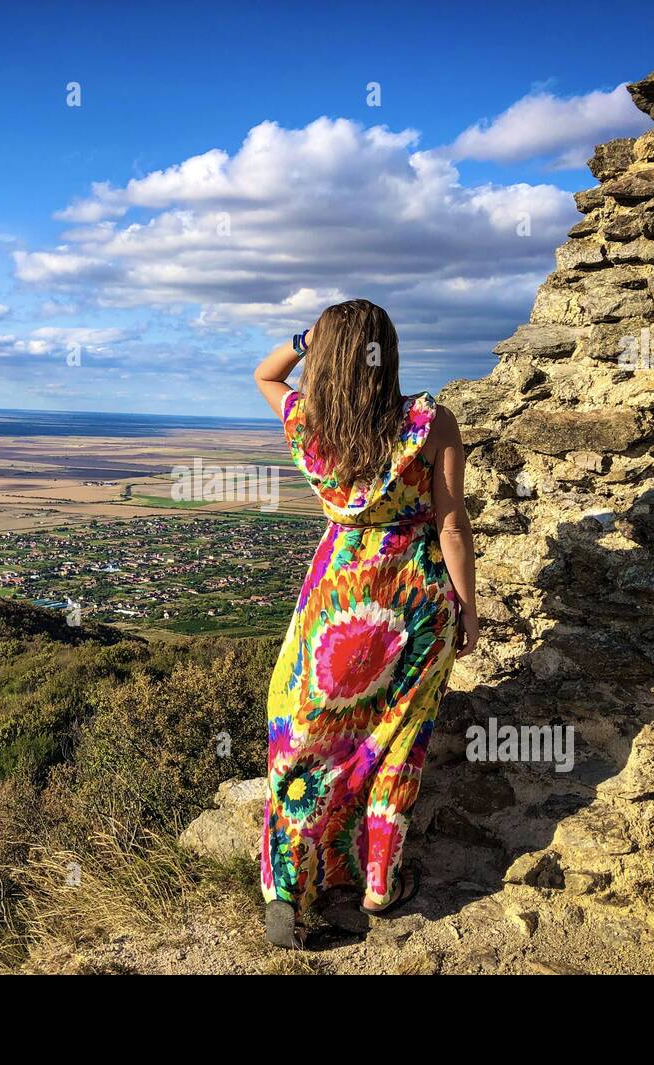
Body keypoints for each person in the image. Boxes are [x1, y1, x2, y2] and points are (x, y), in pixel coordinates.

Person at [252, 298, 479, 949]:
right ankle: (377, 878)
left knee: (311, 731)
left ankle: (293, 878)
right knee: (394, 737)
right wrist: (468, 606)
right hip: (414, 601)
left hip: (338, 603)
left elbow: (266, 375)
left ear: (327, 354)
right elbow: (452, 523)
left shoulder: (309, 421)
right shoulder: (429, 423)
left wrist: (303, 338)